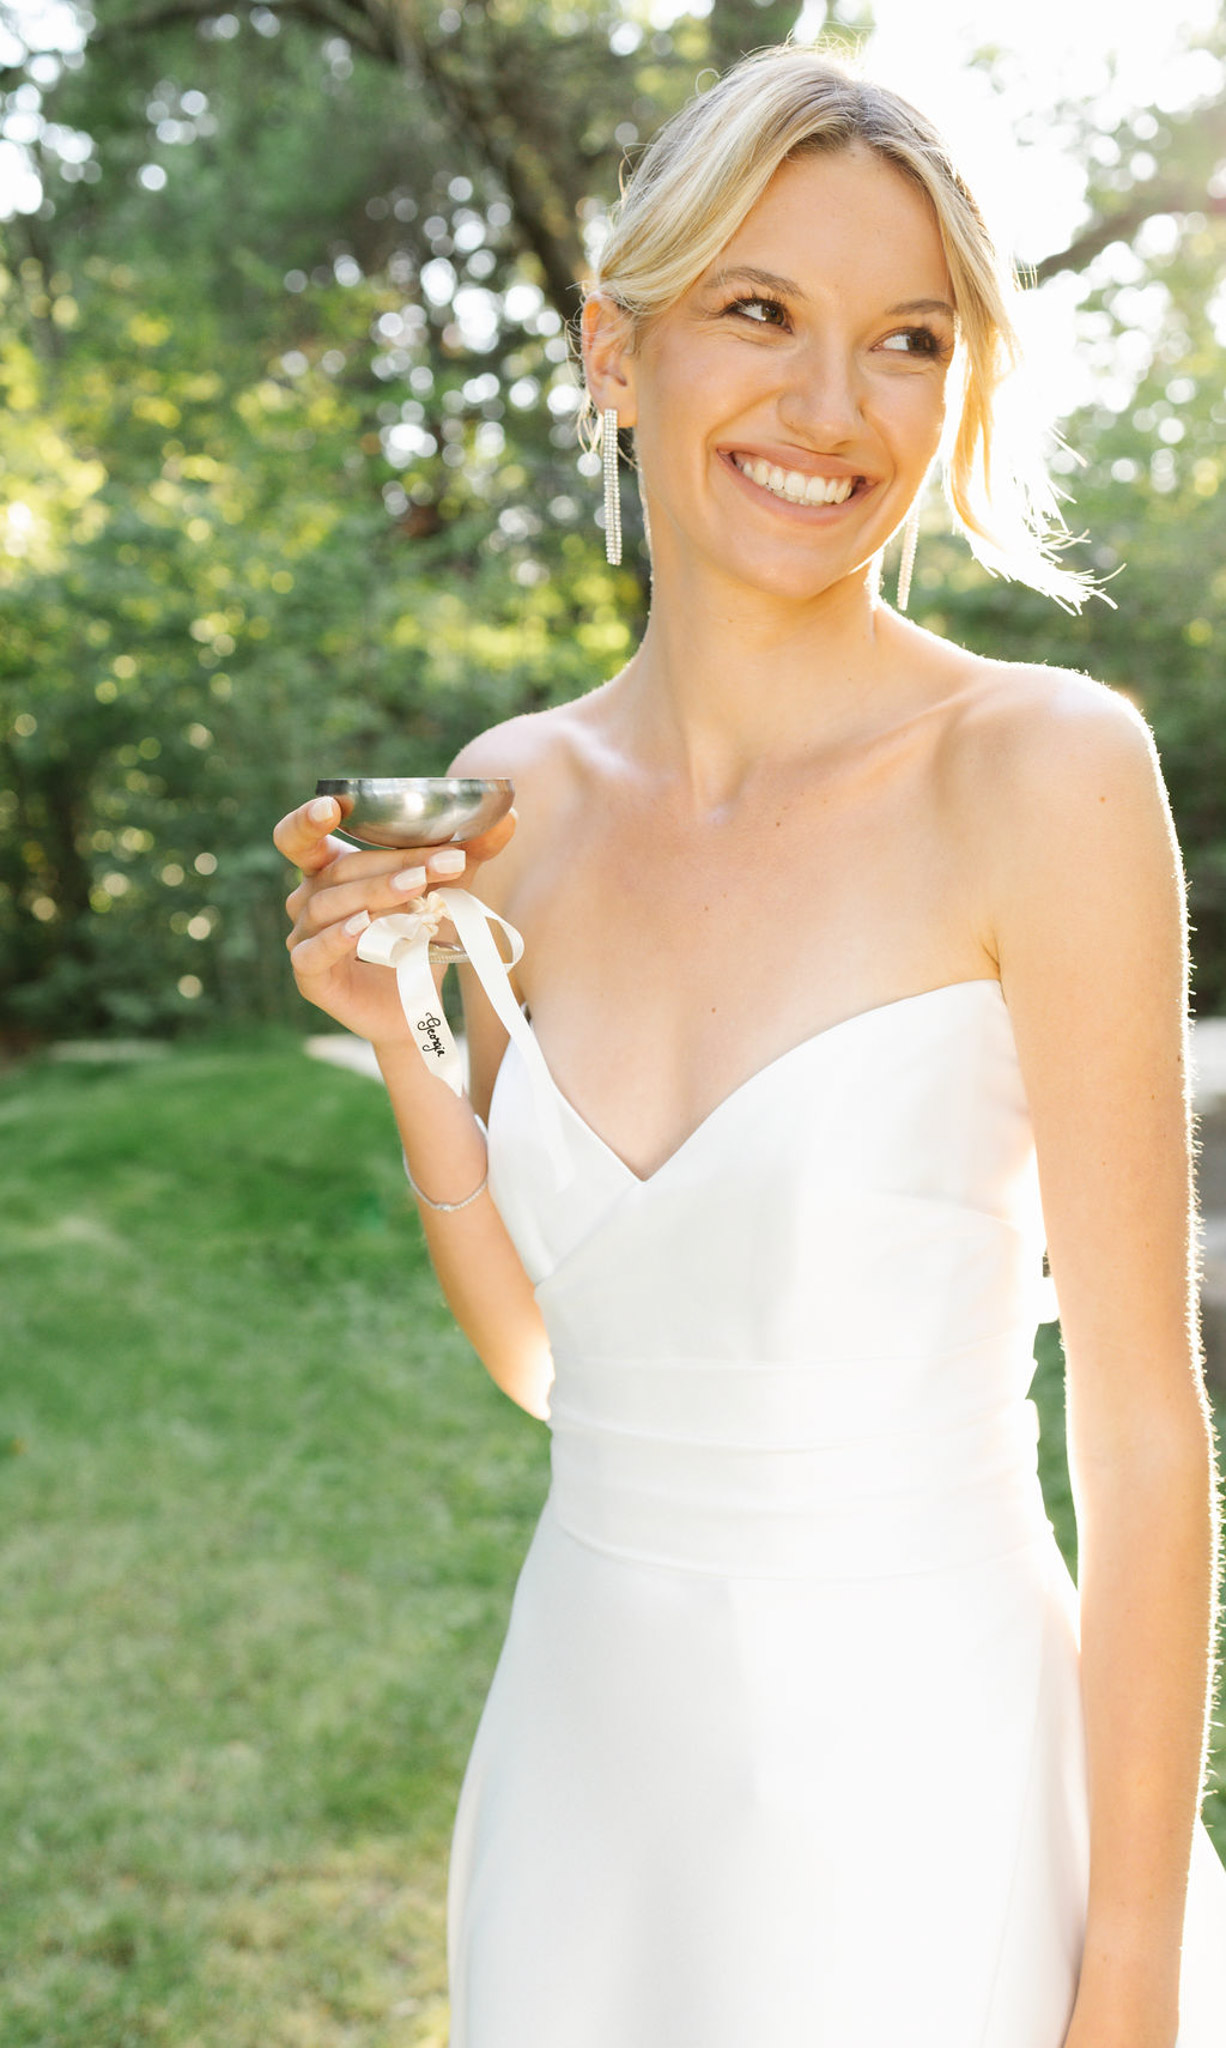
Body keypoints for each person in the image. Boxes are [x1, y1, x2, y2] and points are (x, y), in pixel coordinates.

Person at [275, 45, 1226, 2048]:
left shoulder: (1038, 772)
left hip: (930, 1804)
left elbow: (1140, 1433)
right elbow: (558, 1368)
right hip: (584, 1783)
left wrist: (1125, 1971)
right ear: (616, 356)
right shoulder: (510, 796)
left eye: (902, 337)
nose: (825, 407)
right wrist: (412, 1054)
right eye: (754, 312)